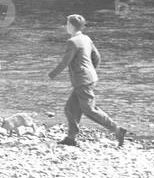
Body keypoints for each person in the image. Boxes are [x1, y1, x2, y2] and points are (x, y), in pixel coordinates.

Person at [48, 14, 127, 147]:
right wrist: (91, 70)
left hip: (83, 80)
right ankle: (71, 138)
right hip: (88, 78)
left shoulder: (72, 42)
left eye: (67, 24)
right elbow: (97, 56)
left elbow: (64, 62)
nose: (66, 26)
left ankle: (117, 130)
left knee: (89, 110)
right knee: (70, 108)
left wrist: (50, 75)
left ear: (71, 26)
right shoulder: (86, 38)